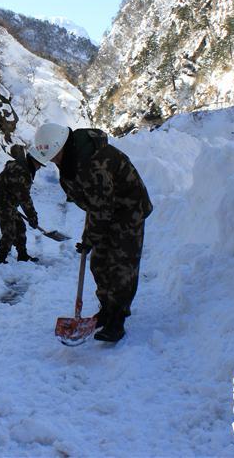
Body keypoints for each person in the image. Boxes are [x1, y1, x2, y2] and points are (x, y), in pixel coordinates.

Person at [29, 123, 153, 343]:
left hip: (129, 208)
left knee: (121, 264)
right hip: (105, 208)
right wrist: (92, 238)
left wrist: (90, 238)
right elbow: (94, 205)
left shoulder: (94, 163)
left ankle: (117, 319)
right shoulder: (71, 158)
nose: (53, 160)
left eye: (54, 155)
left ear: (62, 145)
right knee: (99, 262)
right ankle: (106, 309)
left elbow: (102, 207)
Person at [0, 144, 41, 264]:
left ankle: (22, 255)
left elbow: (21, 195)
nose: (39, 168)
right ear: (33, 161)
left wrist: (31, 215)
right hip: (0, 200)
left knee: (20, 226)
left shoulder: (24, 168)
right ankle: (2, 259)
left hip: (8, 200)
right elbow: (24, 197)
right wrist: (32, 215)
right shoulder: (22, 171)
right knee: (9, 230)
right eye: (39, 164)